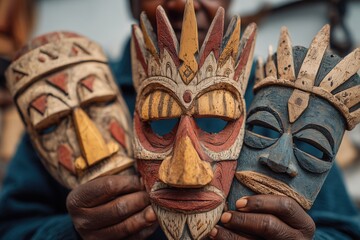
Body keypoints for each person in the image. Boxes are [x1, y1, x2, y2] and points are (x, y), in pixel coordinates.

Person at [1, 0, 359, 239]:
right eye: (158, 122)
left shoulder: (272, 101)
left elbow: (344, 230)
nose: (182, 1)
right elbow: (12, 226)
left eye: (218, 118)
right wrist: (70, 232)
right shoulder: (80, 98)